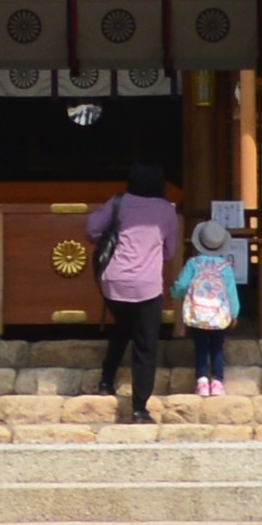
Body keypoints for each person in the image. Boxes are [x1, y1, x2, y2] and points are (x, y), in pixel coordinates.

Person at [90, 167, 184, 420]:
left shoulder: (119, 201)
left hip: (114, 281)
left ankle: (106, 380)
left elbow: (91, 228)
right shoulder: (166, 210)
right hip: (147, 285)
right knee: (145, 345)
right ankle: (139, 408)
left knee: (123, 327)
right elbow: (170, 251)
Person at [178, 197, 251, 397]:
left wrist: (173, 293)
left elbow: (182, 284)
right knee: (217, 347)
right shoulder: (224, 267)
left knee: (200, 345)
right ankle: (217, 381)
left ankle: (201, 380)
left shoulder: (193, 264)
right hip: (219, 314)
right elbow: (231, 292)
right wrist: (234, 313)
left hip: (198, 312)